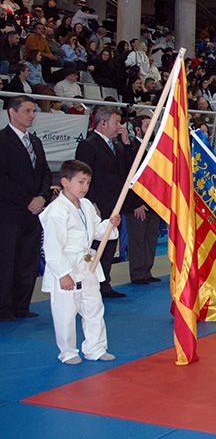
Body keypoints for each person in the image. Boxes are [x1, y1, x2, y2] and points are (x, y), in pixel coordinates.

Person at [40, 159, 121, 365]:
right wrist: (63, 273)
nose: (85, 187)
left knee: (94, 307)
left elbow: (97, 231)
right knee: (65, 313)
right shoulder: (56, 211)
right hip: (67, 265)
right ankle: (68, 352)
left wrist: (110, 224)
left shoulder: (85, 205)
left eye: (87, 183)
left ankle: (95, 348)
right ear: (65, 182)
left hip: (88, 265)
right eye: (81, 182)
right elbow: (52, 247)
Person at [0, 96, 52, 321]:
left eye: (34, 111)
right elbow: (2, 178)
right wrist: (27, 201)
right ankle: (4, 308)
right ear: (12, 112)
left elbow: (45, 173)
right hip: (10, 213)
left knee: (28, 260)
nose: (32, 115)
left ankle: (22, 305)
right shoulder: (2, 140)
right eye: (28, 111)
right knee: (7, 261)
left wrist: (42, 196)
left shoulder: (35, 142)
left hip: (34, 213)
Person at [74, 106, 132, 299]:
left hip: (115, 202)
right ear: (103, 122)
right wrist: (91, 203)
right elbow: (84, 175)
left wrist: (125, 144)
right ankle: (89, 283)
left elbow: (126, 171)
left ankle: (104, 283)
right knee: (95, 246)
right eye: (116, 123)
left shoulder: (116, 145)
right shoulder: (88, 145)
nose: (119, 126)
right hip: (98, 204)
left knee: (109, 245)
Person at [125, 115, 162, 285]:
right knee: (138, 239)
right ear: (138, 129)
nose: (152, 128)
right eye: (148, 125)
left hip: (153, 201)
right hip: (138, 202)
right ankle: (138, 272)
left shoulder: (152, 148)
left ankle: (147, 270)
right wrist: (135, 203)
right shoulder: (132, 148)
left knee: (150, 237)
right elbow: (130, 177)